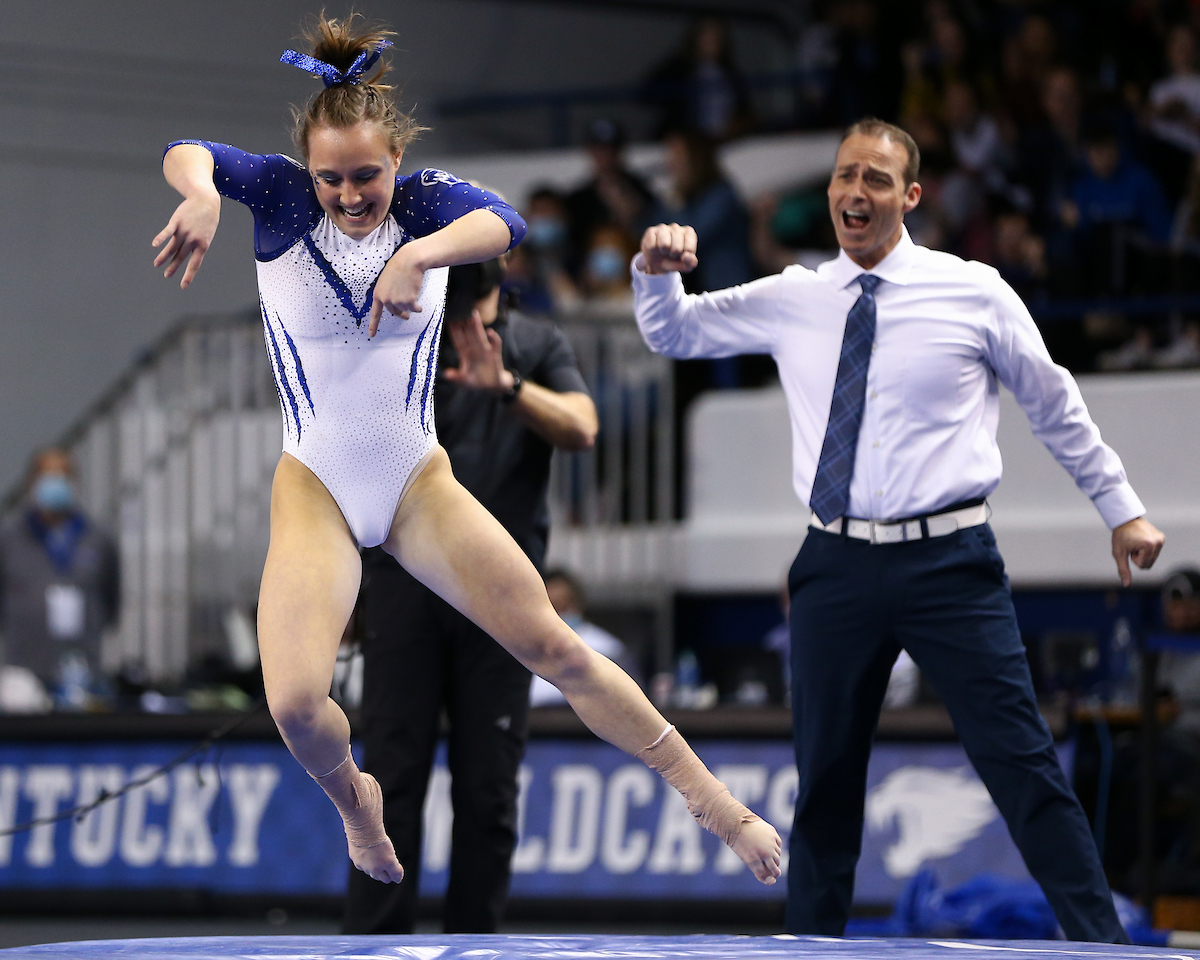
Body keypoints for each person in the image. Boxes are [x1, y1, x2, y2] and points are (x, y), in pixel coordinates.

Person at [153, 13, 781, 890]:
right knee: (297, 706)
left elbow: (507, 223)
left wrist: (419, 256)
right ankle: (354, 805)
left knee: (554, 649)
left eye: (367, 175)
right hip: (317, 486)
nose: (349, 195)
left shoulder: (423, 205)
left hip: (415, 478)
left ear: (396, 165)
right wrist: (204, 193)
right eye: (332, 178)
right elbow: (188, 149)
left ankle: (713, 798)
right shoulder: (286, 198)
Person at [631, 117, 1165, 941]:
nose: (855, 191)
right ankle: (814, 951)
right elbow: (672, 331)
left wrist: (1120, 505)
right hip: (834, 564)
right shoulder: (794, 297)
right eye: (845, 176)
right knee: (828, 783)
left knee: (1022, 767)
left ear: (910, 196)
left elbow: (1052, 402)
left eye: (876, 179)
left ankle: (1103, 950)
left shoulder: (975, 290)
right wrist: (654, 273)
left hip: (951, 564)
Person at [344, 255, 598, 933]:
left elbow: (583, 425)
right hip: (405, 587)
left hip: (503, 600)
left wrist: (508, 386)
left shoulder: (538, 343)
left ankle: (475, 947)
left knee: (488, 790)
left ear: (504, 262)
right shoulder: (404, 337)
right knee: (389, 783)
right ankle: (374, 946)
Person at [0, 448, 119, 706]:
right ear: (31, 483)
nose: (55, 484)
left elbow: (111, 601)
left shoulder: (98, 539)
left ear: (74, 483)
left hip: (83, 670)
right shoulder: (8, 538)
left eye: (63, 476)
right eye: (47, 476)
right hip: (23, 674)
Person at [530, 570, 639, 706]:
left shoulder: (609, 648)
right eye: (554, 607)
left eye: (565, 606)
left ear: (579, 604)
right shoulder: (523, 646)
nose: (560, 614)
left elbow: (629, 701)